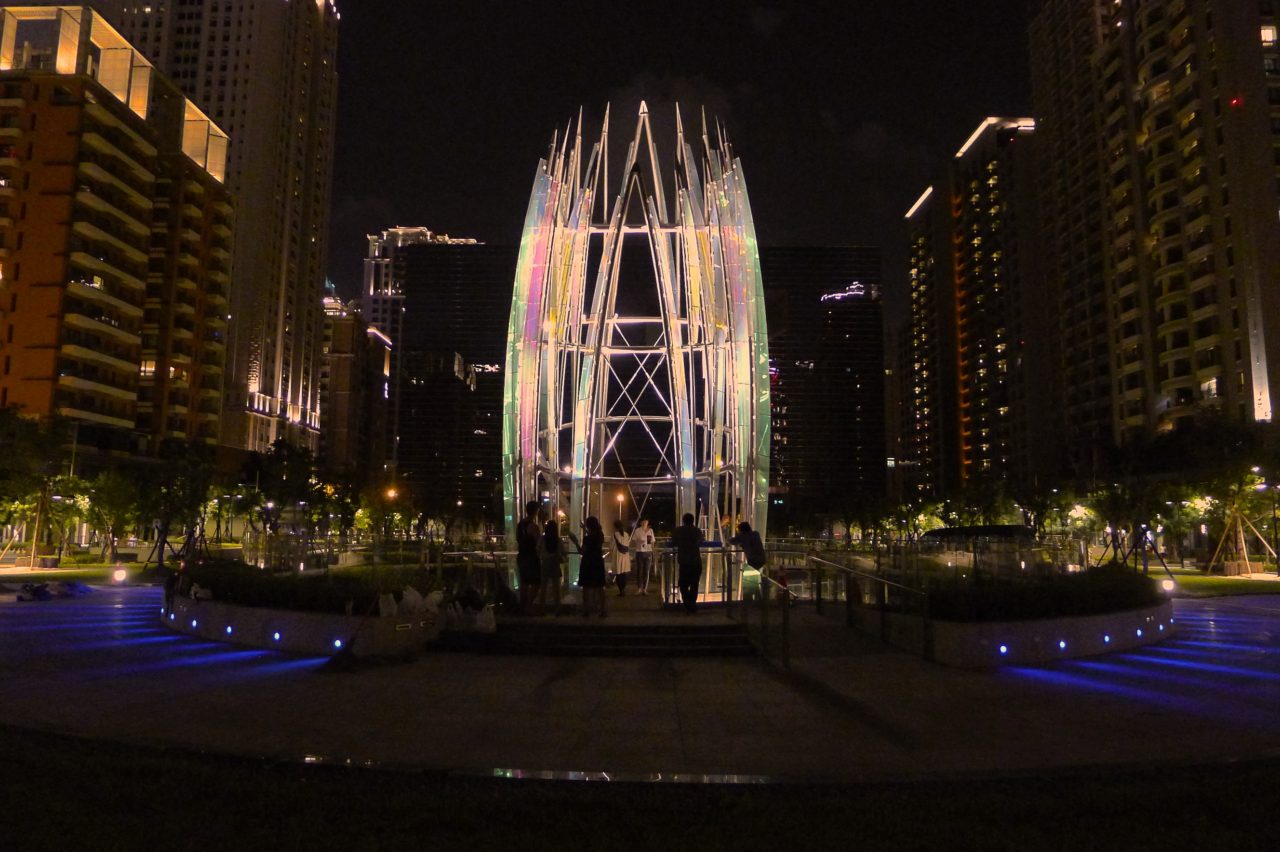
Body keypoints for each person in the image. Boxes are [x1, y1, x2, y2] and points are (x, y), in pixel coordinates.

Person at [672, 512, 703, 613]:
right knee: (694, 585)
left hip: (684, 562)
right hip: (695, 561)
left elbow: (674, 541)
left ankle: (687, 603)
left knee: (683, 585)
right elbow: (701, 541)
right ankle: (692, 604)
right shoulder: (697, 531)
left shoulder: (678, 531)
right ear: (693, 520)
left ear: (683, 520)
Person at [515, 501, 543, 614]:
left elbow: (518, 539)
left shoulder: (520, 525)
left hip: (521, 555)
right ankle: (528, 605)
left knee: (524, 582)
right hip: (531, 557)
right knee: (536, 582)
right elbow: (538, 542)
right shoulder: (533, 526)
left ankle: (522, 606)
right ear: (536, 511)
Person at [577, 516, 607, 617]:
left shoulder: (587, 538)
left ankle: (586, 611)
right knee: (599, 587)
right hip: (598, 562)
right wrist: (584, 529)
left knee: (586, 587)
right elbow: (594, 537)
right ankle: (602, 610)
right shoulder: (600, 535)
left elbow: (582, 551)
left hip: (587, 563)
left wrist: (575, 542)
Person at [539, 517, 566, 615]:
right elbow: (563, 552)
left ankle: (541, 608)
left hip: (545, 562)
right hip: (555, 563)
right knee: (556, 588)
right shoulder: (558, 540)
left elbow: (538, 550)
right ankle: (557, 608)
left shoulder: (542, 539)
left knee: (543, 587)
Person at [632, 518, 656, 595]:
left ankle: (644, 589)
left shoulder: (650, 530)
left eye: (646, 521)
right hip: (639, 552)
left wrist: (653, 552)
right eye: (644, 521)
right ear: (641, 522)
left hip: (648, 552)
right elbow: (634, 541)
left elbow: (652, 542)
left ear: (648, 522)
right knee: (639, 570)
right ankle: (639, 588)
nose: (645, 523)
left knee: (646, 571)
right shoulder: (637, 530)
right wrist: (640, 542)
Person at [611, 519, 632, 596]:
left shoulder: (615, 535)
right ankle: (623, 589)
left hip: (617, 556)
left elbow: (611, 546)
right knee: (623, 574)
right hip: (625, 555)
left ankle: (621, 591)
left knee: (618, 574)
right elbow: (627, 545)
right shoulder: (626, 534)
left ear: (615, 527)